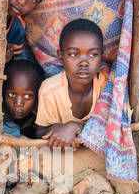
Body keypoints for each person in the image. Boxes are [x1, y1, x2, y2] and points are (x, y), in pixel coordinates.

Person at [35, 18, 107, 149]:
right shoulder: (50, 90)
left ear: (102, 56)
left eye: (93, 55)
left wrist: (76, 126)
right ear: (61, 57)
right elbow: (39, 132)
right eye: (74, 54)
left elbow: (116, 126)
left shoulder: (107, 86)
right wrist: (56, 128)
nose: (84, 62)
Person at [2, 58, 43, 139]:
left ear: (37, 92)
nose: (18, 103)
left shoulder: (43, 110)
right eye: (12, 94)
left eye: (27, 96)